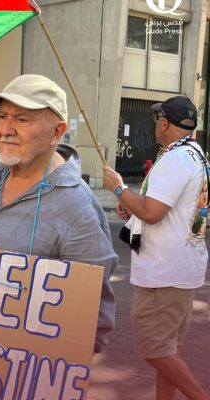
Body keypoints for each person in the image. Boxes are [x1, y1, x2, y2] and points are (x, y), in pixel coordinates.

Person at [0, 74, 117, 352]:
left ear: (57, 132)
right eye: (3, 116)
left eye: (22, 119)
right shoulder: (0, 173)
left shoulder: (77, 208)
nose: (5, 130)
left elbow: (90, 326)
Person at [102, 96, 210, 400]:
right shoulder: (195, 155)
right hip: (183, 266)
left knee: (154, 349)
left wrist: (119, 188)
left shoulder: (175, 159)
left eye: (156, 120)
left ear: (163, 123)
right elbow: (162, 209)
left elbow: (151, 212)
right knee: (170, 347)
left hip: (165, 271)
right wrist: (130, 206)